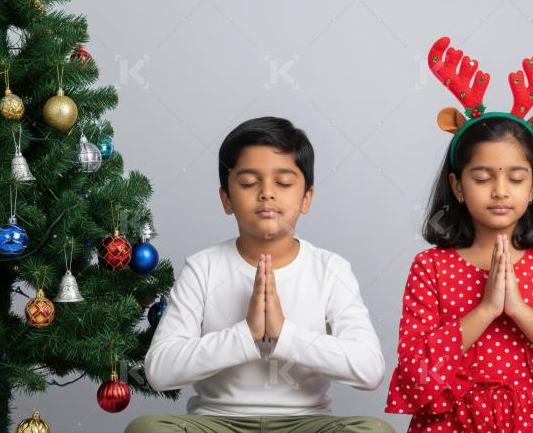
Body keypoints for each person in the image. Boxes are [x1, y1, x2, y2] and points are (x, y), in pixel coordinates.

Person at [385, 36, 533, 431]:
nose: (499, 190)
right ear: (458, 187)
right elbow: (415, 371)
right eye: (482, 177)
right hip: (452, 422)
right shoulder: (430, 267)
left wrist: (520, 311)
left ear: (532, 188)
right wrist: (486, 309)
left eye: (515, 177)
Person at [127, 117, 395, 433]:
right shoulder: (203, 267)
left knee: (375, 430)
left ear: (306, 198)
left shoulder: (330, 268)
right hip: (216, 423)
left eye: (283, 183)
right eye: (248, 183)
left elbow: (369, 369)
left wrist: (284, 334)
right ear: (226, 198)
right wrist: (246, 334)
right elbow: (160, 370)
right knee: (147, 428)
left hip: (307, 424)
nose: (267, 193)